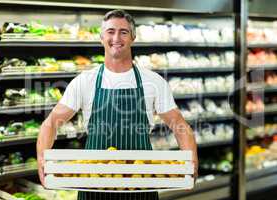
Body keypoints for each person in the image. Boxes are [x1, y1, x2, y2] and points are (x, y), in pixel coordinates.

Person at [37, 9, 198, 200]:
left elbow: (179, 125)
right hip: (93, 184)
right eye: (110, 31)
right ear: (101, 38)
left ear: (133, 38)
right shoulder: (85, 81)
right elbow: (52, 122)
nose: (116, 37)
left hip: (140, 185)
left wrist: (191, 161)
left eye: (123, 32)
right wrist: (42, 161)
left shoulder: (153, 81)